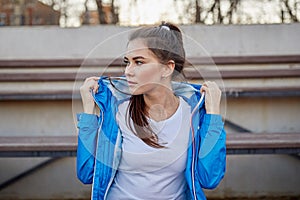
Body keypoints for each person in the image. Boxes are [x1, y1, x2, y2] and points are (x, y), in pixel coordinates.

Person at [76, 22, 226, 200]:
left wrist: (213, 115)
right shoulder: (117, 111)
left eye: (139, 62)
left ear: (167, 68)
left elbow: (209, 179)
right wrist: (88, 112)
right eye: (127, 63)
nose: (128, 71)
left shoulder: (192, 114)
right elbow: (87, 173)